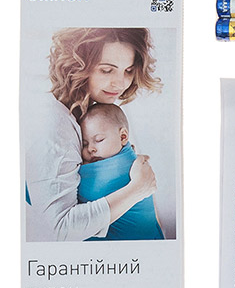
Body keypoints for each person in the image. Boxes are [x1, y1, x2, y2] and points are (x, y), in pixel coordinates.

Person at [25, 27, 160, 242]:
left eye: (128, 70)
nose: (120, 83)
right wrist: (137, 189)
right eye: (107, 70)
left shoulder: (85, 113)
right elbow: (59, 229)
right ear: (76, 66)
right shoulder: (54, 126)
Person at [78, 104, 164, 240]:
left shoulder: (121, 167)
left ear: (123, 137)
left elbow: (83, 190)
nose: (90, 149)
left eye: (99, 140)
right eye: (84, 144)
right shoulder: (129, 158)